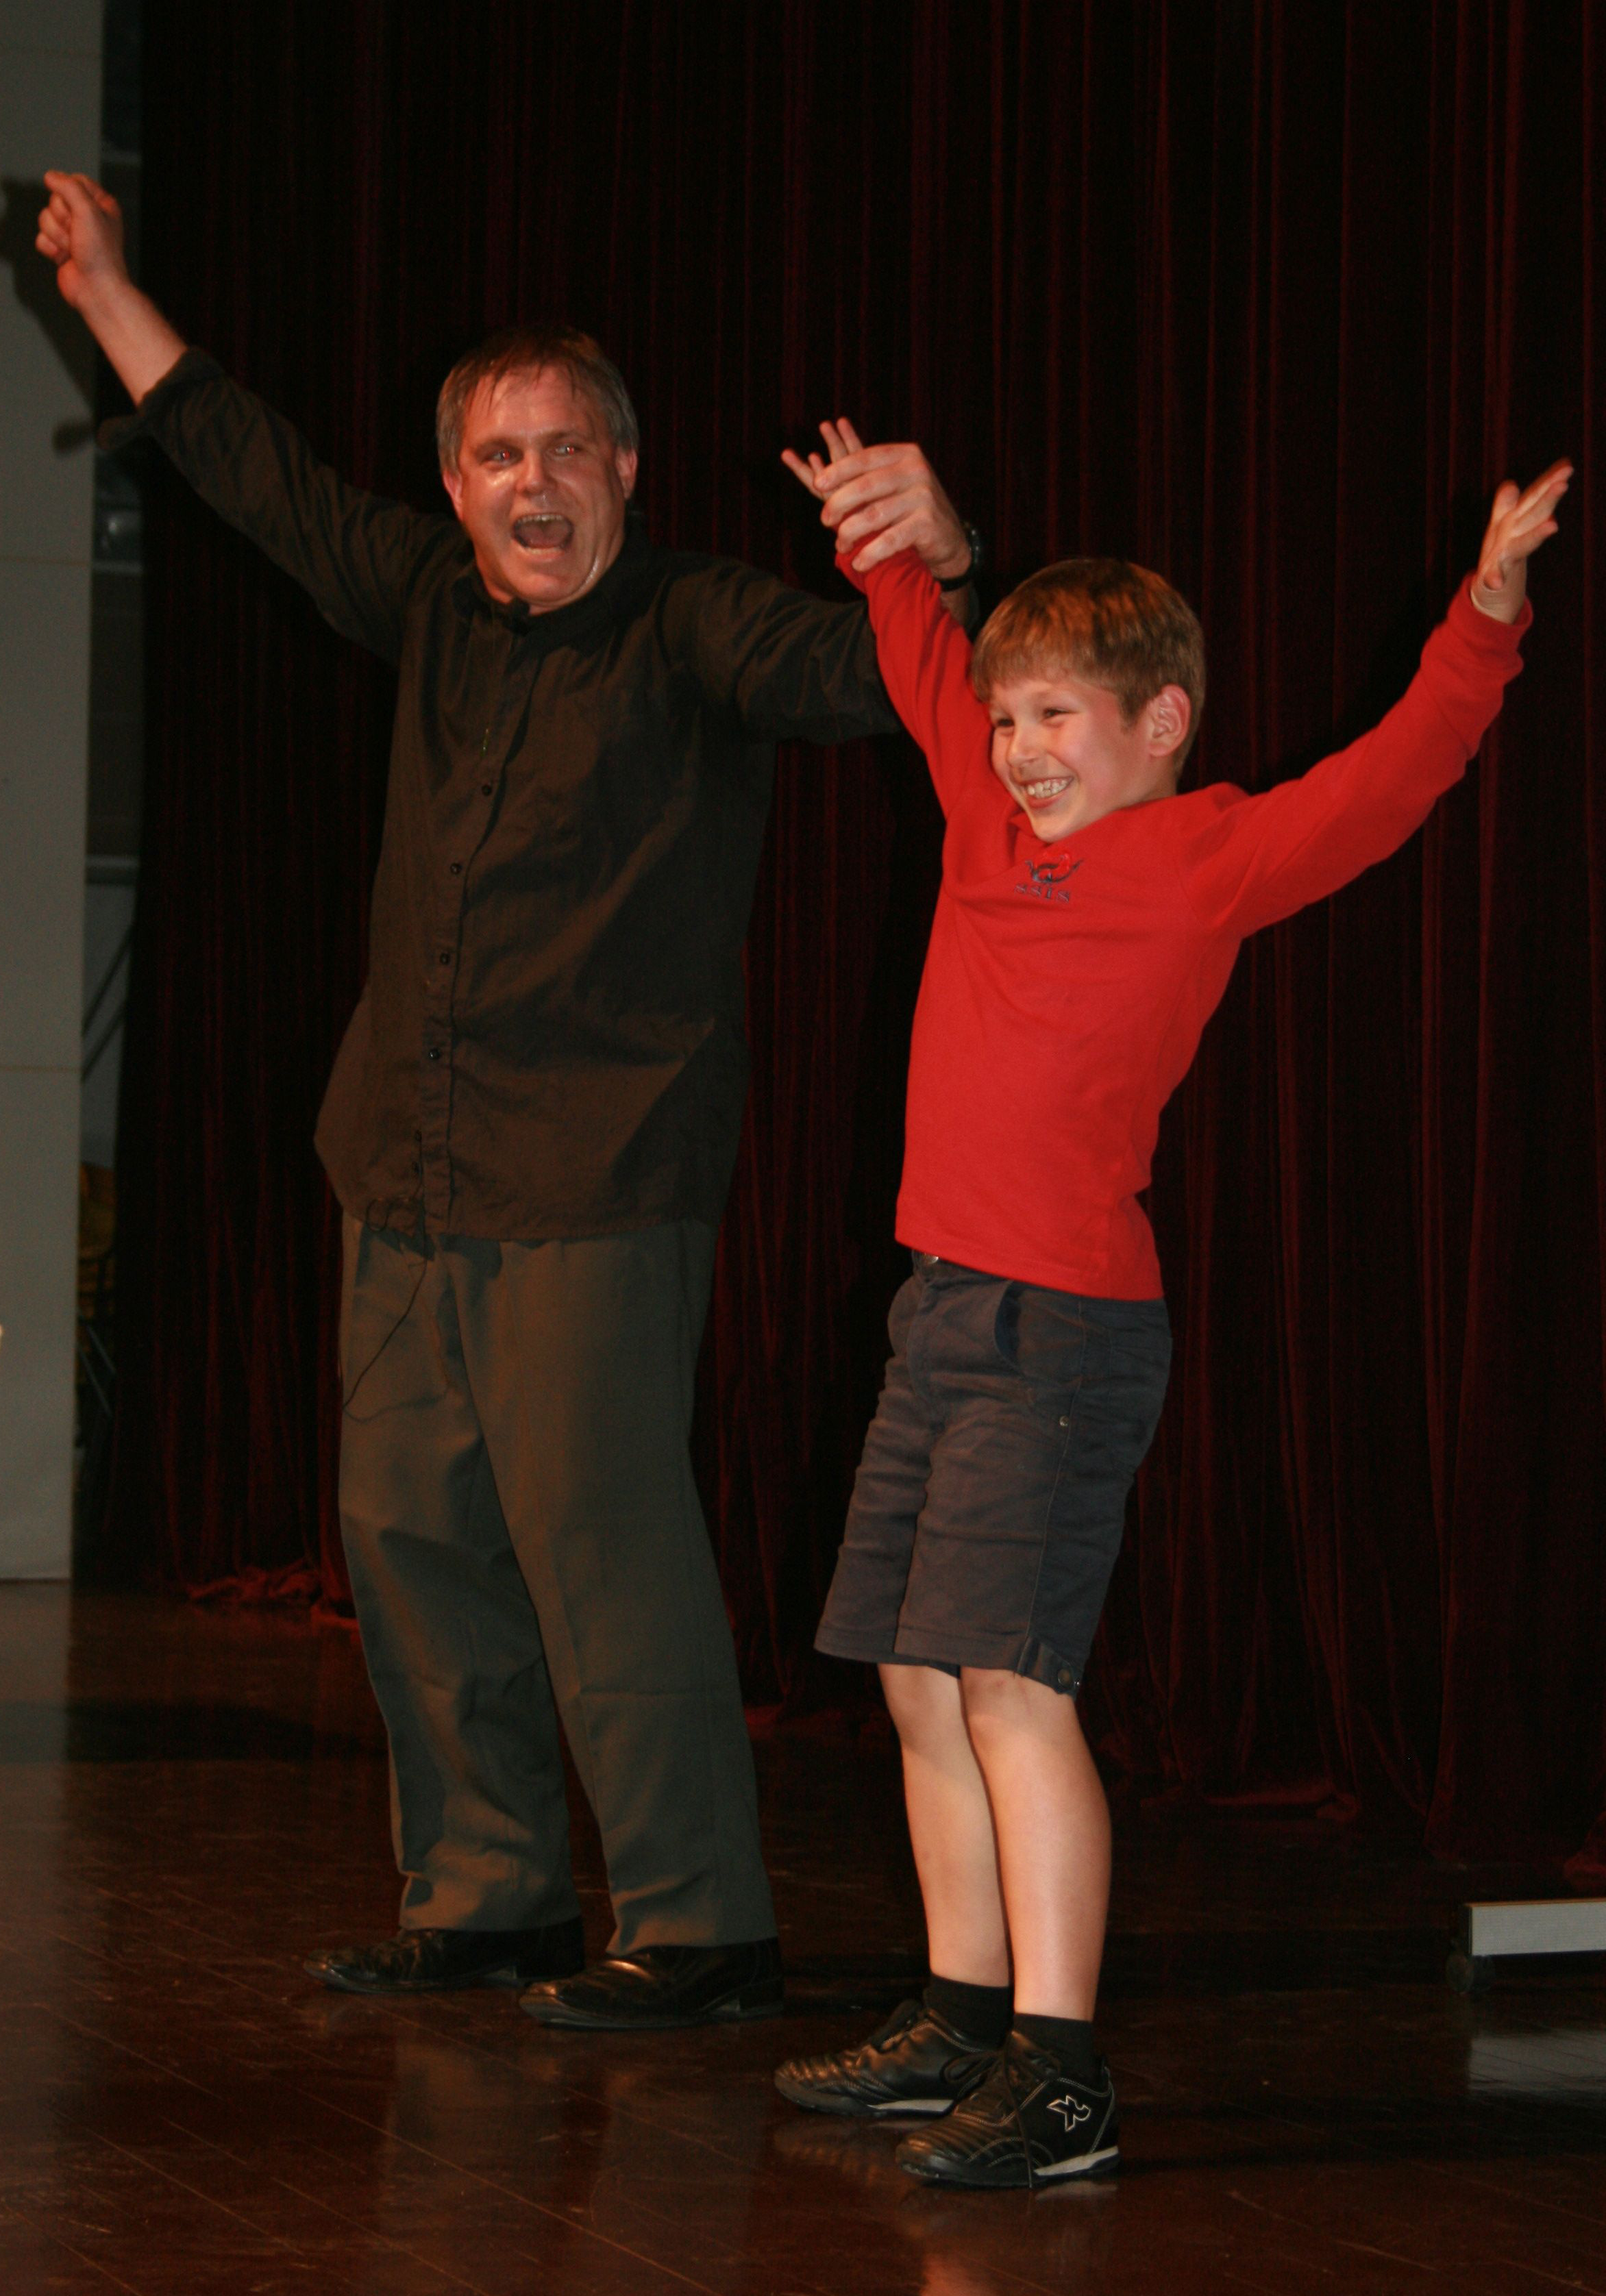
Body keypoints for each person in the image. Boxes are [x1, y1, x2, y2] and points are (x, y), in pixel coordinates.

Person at [37, 172, 981, 2030]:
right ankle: (493, 1897)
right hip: (401, 1157)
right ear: (455, 481)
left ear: (629, 466)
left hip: (600, 1179)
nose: (529, 485)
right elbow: (253, 469)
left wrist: (940, 555)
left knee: (600, 1549)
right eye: (492, 455)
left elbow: (898, 684)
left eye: (564, 449)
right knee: (409, 1539)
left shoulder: (703, 625)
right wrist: (109, 294)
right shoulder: (428, 605)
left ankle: (702, 1923)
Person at [773, 417, 1569, 2184]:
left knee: (1009, 1686)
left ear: (1161, 726)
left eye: (1059, 716)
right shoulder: (980, 811)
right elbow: (917, 647)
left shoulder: (1208, 856)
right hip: (939, 1308)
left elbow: (1395, 777)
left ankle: (1063, 2073)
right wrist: (878, 539)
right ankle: (961, 2023)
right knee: (914, 1676)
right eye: (1010, 716)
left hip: (1060, 1328)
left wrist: (1487, 617)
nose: (1020, 747)